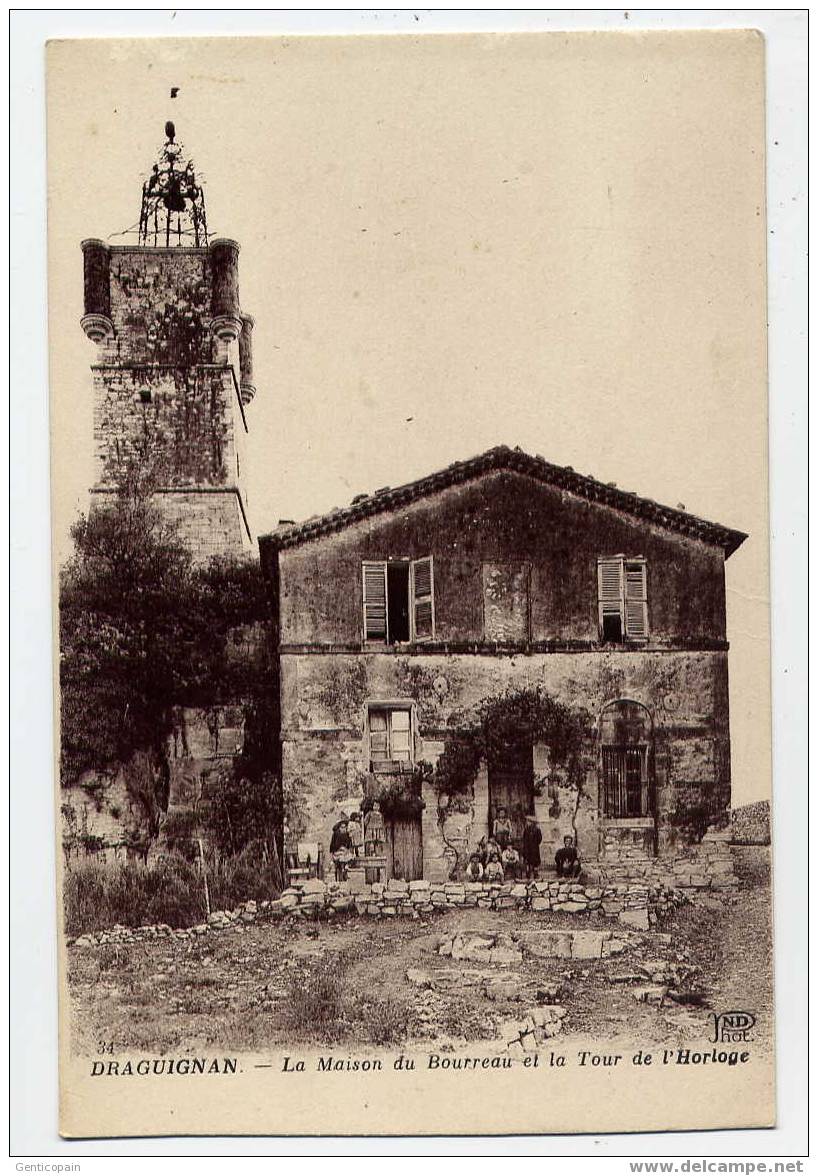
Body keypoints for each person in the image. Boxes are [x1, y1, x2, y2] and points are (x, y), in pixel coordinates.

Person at [329, 817, 354, 881]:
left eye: (344, 827)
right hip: (337, 852)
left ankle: (345, 869)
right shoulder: (335, 834)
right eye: (342, 827)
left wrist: (347, 848)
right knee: (340, 860)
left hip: (345, 852)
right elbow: (332, 845)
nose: (343, 829)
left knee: (350, 857)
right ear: (339, 828)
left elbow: (349, 845)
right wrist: (334, 851)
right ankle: (341, 872)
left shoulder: (347, 835)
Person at [521, 814, 542, 880]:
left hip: (534, 848)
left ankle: (535, 873)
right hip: (527, 848)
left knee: (535, 861)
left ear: (532, 823)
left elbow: (539, 839)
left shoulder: (537, 830)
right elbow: (524, 839)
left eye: (528, 821)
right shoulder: (526, 830)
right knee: (528, 861)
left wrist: (535, 844)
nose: (527, 823)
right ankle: (529, 873)